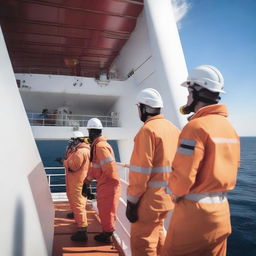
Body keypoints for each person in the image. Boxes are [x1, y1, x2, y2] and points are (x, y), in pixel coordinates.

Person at [161, 65, 240, 256]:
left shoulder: (195, 127)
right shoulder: (230, 128)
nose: (187, 97)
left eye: (189, 92)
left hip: (194, 219)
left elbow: (183, 179)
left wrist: (170, 191)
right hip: (222, 214)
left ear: (197, 91)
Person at [126, 88, 180, 256]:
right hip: (168, 196)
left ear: (144, 108)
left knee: (143, 242)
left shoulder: (147, 130)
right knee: (158, 233)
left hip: (149, 199)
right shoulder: (173, 129)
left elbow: (140, 172)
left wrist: (132, 202)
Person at [84, 118, 120, 244]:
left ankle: (107, 234)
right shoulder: (99, 146)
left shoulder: (100, 146)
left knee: (106, 209)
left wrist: (110, 184)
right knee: (104, 208)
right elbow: (97, 167)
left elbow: (110, 169)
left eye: (89, 132)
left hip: (108, 184)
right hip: (105, 183)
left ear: (92, 132)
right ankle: (106, 231)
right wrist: (87, 182)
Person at [63, 131, 90, 242]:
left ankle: (82, 231)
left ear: (77, 140)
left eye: (73, 140)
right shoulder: (81, 150)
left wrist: (64, 162)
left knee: (78, 204)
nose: (71, 143)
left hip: (77, 182)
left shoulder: (80, 152)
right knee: (77, 202)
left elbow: (73, 166)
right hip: (77, 181)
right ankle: (77, 216)